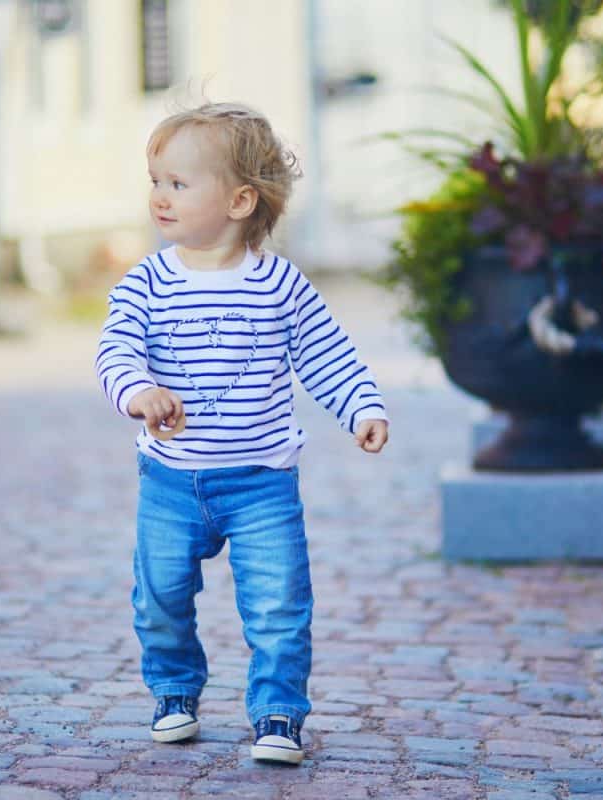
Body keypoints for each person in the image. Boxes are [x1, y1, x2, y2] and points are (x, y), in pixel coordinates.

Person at [95, 102, 389, 765]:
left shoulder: (279, 285)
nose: (159, 197)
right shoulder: (147, 282)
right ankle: (174, 693)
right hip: (170, 482)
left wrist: (362, 408)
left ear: (239, 200)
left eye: (177, 183)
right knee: (161, 598)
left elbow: (326, 355)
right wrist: (141, 393)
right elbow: (115, 351)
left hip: (262, 483)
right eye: (155, 180)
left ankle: (279, 713)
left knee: (280, 606)